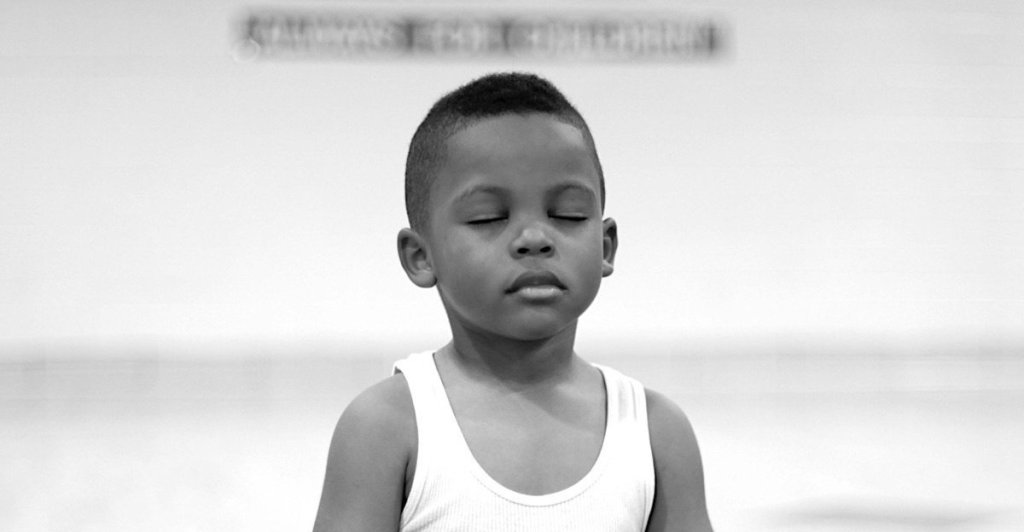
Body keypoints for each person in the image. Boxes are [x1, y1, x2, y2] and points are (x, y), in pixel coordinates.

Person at [312, 72, 712, 532]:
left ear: (605, 246)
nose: (534, 238)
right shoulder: (387, 427)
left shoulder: (654, 432)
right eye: (488, 217)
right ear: (421, 257)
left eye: (567, 214)